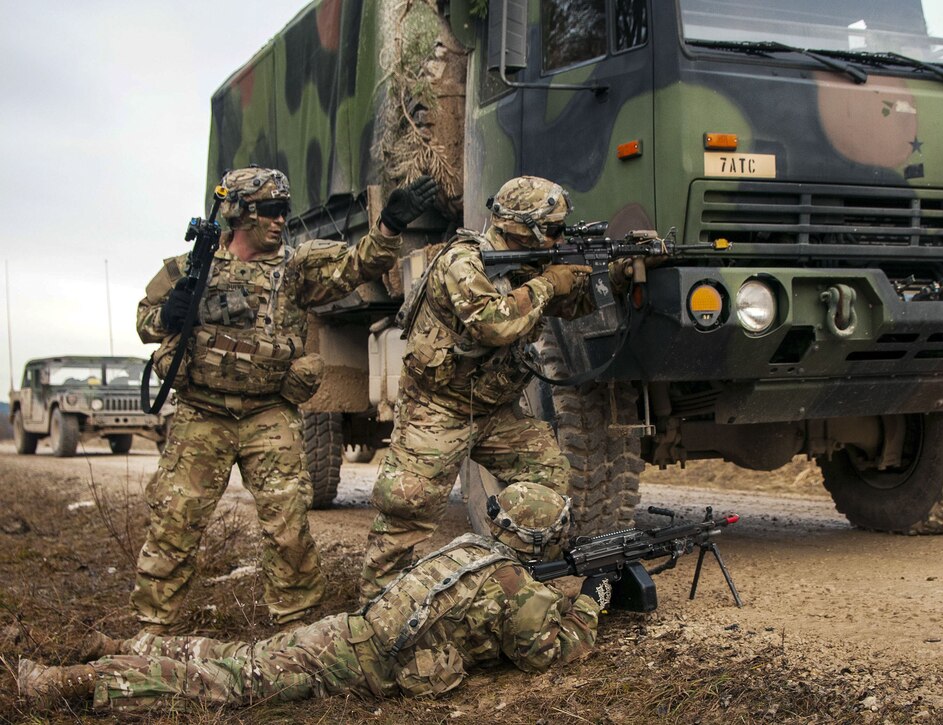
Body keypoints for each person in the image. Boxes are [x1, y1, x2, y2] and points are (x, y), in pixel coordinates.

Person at [131, 166, 438, 632]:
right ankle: (153, 627)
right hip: (202, 414)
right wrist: (169, 314)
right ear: (239, 213)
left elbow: (357, 264)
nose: (280, 221)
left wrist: (389, 227)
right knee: (175, 523)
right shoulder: (189, 268)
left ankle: (297, 633)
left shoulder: (296, 268)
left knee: (288, 526)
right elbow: (145, 321)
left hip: (268, 413)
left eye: (283, 212)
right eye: (271, 211)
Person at [17, 482, 614, 712]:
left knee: (239, 656)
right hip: (359, 656)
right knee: (230, 682)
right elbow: (554, 651)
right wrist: (592, 597)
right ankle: (67, 680)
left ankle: (126, 643)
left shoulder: (469, 549)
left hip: (350, 634)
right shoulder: (515, 586)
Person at [358, 175, 628, 600]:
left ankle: (506, 584)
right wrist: (547, 283)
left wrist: (619, 272)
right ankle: (378, 616)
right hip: (439, 408)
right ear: (525, 227)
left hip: (495, 412)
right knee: (406, 511)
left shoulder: (529, 262)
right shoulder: (464, 262)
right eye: (554, 230)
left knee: (548, 481)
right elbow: (495, 323)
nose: (559, 239)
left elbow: (573, 302)